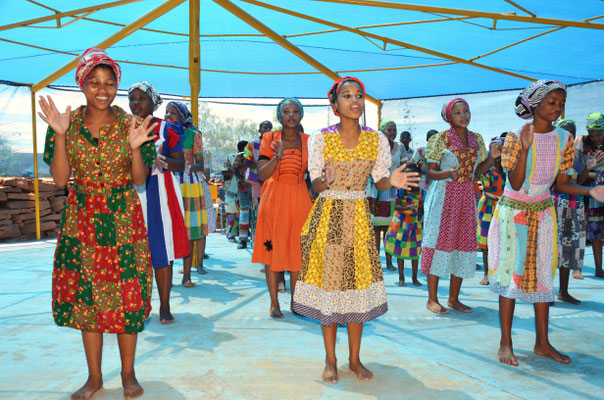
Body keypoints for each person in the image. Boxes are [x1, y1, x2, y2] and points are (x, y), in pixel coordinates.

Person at [40, 47, 157, 400]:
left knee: (126, 295)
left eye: (108, 82)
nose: (102, 89)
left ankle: (127, 373)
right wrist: (60, 135)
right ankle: (94, 378)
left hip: (123, 218)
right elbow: (61, 180)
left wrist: (136, 147)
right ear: (82, 84)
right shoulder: (67, 123)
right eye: (94, 82)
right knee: (86, 297)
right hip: (83, 220)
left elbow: (139, 179)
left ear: (116, 85)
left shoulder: (131, 124)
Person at [292, 76, 419, 384]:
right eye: (346, 95)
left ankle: (354, 359)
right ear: (335, 106)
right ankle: (331, 359)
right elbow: (314, 187)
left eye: (359, 95)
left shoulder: (376, 139)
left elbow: (379, 181)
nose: (355, 100)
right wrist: (328, 179)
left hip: (359, 219)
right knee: (331, 291)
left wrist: (393, 181)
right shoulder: (320, 138)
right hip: (330, 218)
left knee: (357, 291)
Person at [488, 80, 604, 366]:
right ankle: (506, 342)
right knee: (510, 275)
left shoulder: (564, 138)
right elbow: (514, 182)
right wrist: (526, 148)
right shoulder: (516, 136)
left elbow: (562, 183)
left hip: (543, 212)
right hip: (513, 212)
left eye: (561, 103)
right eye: (551, 102)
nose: (557, 108)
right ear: (535, 104)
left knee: (543, 275)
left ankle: (542, 342)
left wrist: (589, 190)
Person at [421, 98, 502, 314]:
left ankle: (454, 299)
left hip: (466, 196)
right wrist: (447, 173)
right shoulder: (440, 139)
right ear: (449, 116)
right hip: (444, 196)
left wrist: (492, 158)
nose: (463, 115)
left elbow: (480, 170)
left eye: (466, 110)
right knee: (439, 242)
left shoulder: (477, 139)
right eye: (457, 112)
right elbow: (429, 172)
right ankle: (432, 299)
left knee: (462, 244)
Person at [128, 81, 189, 325]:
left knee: (162, 251)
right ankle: (140, 306)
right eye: (132, 98)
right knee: (133, 253)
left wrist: (161, 160)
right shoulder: (123, 128)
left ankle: (164, 306)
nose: (136, 103)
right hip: (130, 192)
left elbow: (180, 164)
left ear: (154, 102)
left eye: (142, 98)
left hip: (159, 191)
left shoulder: (167, 128)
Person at [252, 98, 312, 318]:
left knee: (298, 251)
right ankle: (274, 303)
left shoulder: (309, 141)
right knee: (272, 250)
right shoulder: (270, 138)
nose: (291, 115)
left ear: (301, 115)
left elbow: (314, 176)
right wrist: (277, 158)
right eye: (286, 111)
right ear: (279, 115)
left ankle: (297, 302)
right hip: (274, 197)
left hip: (299, 198)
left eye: (295, 111)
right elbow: (262, 174)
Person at [164, 101, 216, 279]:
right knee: (170, 229)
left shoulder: (193, 135)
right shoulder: (163, 133)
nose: (168, 116)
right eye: (166, 112)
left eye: (173, 113)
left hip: (192, 185)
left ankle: (193, 269)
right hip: (170, 183)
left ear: (182, 117)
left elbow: (201, 164)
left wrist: (187, 167)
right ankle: (174, 274)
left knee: (194, 229)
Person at [368, 120, 403, 271]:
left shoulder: (399, 147)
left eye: (394, 130)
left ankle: (389, 262)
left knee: (390, 227)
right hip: (375, 189)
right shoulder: (374, 146)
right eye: (389, 129)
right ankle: (375, 262)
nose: (392, 133)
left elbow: (403, 166)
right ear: (382, 131)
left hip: (391, 191)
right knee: (375, 227)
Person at [384, 162, 426, 287]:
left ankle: (414, 278)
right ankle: (401, 277)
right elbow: (396, 206)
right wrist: (408, 208)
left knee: (415, 252)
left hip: (415, 226)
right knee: (399, 250)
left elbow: (422, 210)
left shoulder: (423, 193)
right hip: (401, 225)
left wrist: (418, 211)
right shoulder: (402, 190)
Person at [576, 112, 604, 279]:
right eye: (592, 134)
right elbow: (579, 177)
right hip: (593, 196)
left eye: (599, 134)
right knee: (595, 232)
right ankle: (598, 268)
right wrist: (593, 172)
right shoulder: (584, 145)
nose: (596, 138)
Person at [476, 135, 506, 285]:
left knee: (503, 241)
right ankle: (486, 274)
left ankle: (501, 273)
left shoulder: (508, 170)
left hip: (505, 208)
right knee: (487, 243)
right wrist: (496, 198)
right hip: (488, 208)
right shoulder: (485, 169)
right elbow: (483, 190)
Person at [232, 140, 252, 249]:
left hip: (256, 188)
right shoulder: (240, 156)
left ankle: (255, 240)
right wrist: (242, 180)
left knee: (255, 214)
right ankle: (243, 240)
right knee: (244, 214)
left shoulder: (255, 155)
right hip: (244, 188)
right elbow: (234, 169)